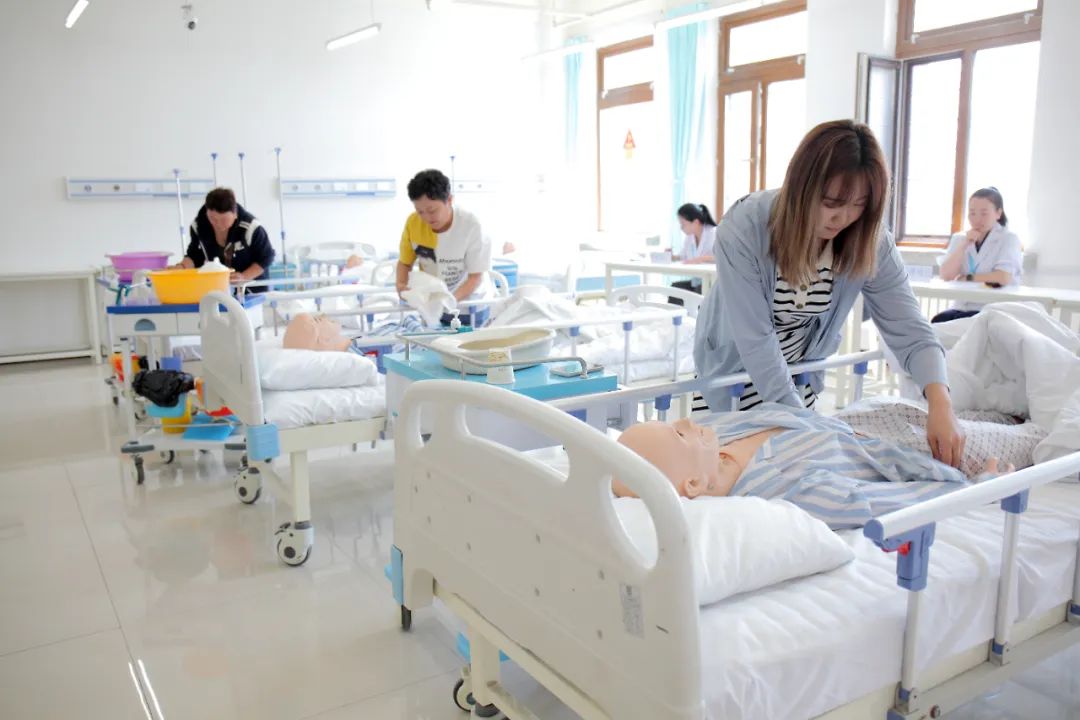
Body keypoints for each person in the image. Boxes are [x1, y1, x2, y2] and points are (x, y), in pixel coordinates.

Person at [693, 119, 967, 467]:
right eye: (831, 202)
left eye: (858, 205)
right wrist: (812, 429)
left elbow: (909, 328)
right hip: (734, 378)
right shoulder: (745, 227)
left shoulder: (869, 240)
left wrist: (940, 402)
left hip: (796, 383)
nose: (843, 218)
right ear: (801, 186)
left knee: (801, 476)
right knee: (721, 476)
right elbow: (756, 339)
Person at [612, 404, 1028, 530]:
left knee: (988, 401)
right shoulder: (788, 494)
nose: (688, 422)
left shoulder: (718, 436)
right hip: (922, 455)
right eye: (678, 433)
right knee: (1034, 436)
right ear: (693, 484)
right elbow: (892, 500)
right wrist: (978, 488)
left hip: (864, 417)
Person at [395, 169, 492, 324]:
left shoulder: (471, 226)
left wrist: (448, 301)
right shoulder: (413, 223)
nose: (426, 218)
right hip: (433, 303)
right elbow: (405, 263)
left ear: (449, 200)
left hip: (469, 305)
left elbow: (475, 277)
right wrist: (401, 285)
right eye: (420, 211)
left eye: (432, 210)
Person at [933, 187, 1023, 324]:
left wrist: (968, 278)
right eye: (972, 213)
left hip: (994, 308)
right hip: (962, 306)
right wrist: (964, 244)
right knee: (938, 321)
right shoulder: (960, 238)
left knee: (964, 324)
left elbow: (1003, 277)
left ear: (998, 213)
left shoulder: (1009, 239)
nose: (977, 219)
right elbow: (946, 275)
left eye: (984, 213)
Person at [173, 187, 275, 289]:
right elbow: (194, 255)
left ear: (235, 214)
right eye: (213, 219)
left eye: (223, 220)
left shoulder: (251, 228)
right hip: (218, 287)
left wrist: (243, 277)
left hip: (253, 288)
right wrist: (181, 267)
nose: (217, 224)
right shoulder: (199, 226)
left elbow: (266, 258)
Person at [669, 203, 718, 304]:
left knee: (699, 291)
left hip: (713, 282)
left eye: (683, 224)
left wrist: (701, 259)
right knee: (676, 288)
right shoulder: (690, 237)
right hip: (697, 281)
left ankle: (697, 315)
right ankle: (676, 315)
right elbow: (683, 257)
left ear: (695, 222)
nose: (681, 228)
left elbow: (722, 257)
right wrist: (671, 256)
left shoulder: (714, 233)